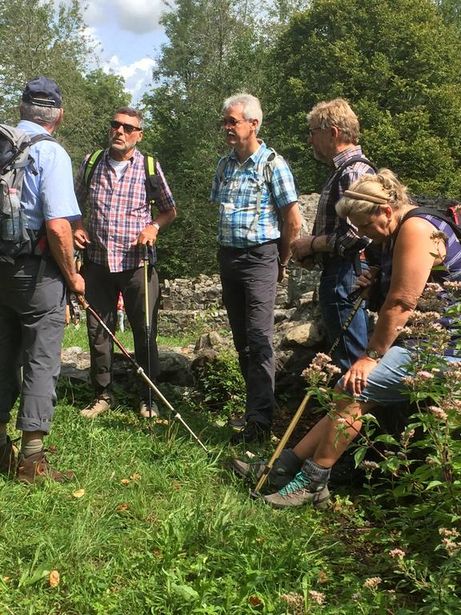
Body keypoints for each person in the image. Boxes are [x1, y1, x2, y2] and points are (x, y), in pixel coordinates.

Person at [234, 169, 461, 507]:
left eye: (366, 226)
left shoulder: (416, 228)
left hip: (444, 348)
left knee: (355, 387)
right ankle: (281, 469)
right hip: (424, 343)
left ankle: (313, 483)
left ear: (386, 210)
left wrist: (371, 357)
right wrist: (376, 283)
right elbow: (404, 290)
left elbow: (402, 302)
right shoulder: (396, 232)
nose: (365, 236)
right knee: (347, 390)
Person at [0, 76, 85, 483]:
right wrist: (73, 276)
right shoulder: (51, 153)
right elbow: (57, 226)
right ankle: (32, 462)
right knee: (41, 359)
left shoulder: (3, 144)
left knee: (2, 356)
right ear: (58, 115)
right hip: (35, 275)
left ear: (21, 108)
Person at [74, 107, 176, 419]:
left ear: (138, 135)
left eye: (128, 128)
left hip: (137, 264)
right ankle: (103, 394)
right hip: (97, 262)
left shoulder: (149, 167)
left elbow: (169, 210)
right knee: (98, 331)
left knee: (144, 331)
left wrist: (153, 227)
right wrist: (77, 226)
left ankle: (148, 397)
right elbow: (73, 203)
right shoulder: (92, 163)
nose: (120, 131)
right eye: (116, 125)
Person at [211, 93, 302, 444]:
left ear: (254, 124)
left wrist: (282, 261)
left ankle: (260, 424)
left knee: (260, 338)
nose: (227, 127)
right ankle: (256, 412)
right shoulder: (224, 165)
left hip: (261, 256)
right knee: (242, 341)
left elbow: (293, 220)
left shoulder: (272, 165)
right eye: (225, 121)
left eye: (233, 121)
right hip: (229, 256)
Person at [291, 98, 376, 372]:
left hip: (346, 275)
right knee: (348, 358)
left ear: (333, 132)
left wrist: (312, 244)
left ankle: (354, 402)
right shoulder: (344, 171)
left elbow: (355, 237)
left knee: (352, 364)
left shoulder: (352, 172)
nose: (309, 140)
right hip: (341, 273)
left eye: (313, 132)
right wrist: (313, 253)